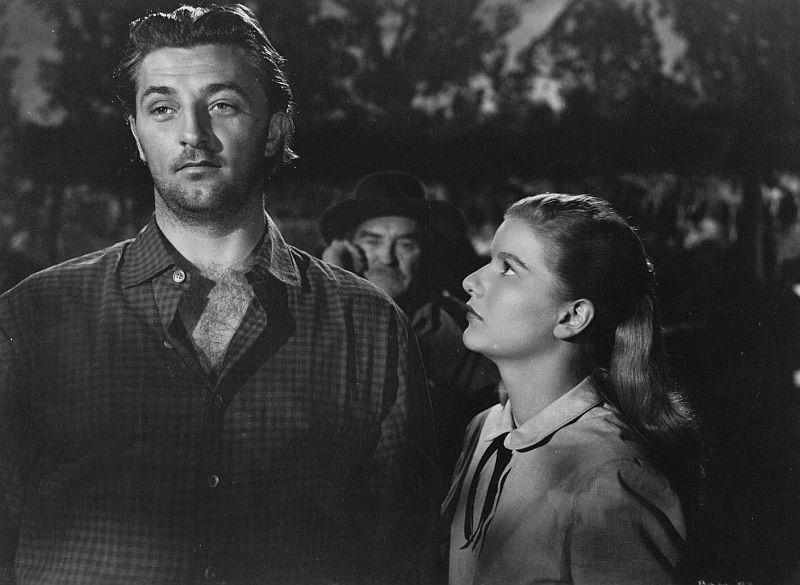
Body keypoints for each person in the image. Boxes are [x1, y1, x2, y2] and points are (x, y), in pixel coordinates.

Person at [0, 5, 439, 585]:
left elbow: (403, 555)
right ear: (137, 134)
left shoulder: (371, 325)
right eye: (162, 108)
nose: (192, 134)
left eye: (222, 105)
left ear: (276, 128)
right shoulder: (31, 317)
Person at [442, 194, 702, 584]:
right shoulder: (485, 429)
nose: (471, 281)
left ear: (572, 316)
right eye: (490, 261)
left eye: (509, 269)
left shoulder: (611, 476)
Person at [319, 171, 500, 481]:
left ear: (425, 252)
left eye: (405, 244)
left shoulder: (459, 326)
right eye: (372, 241)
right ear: (347, 248)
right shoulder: (315, 310)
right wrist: (331, 280)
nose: (387, 258)